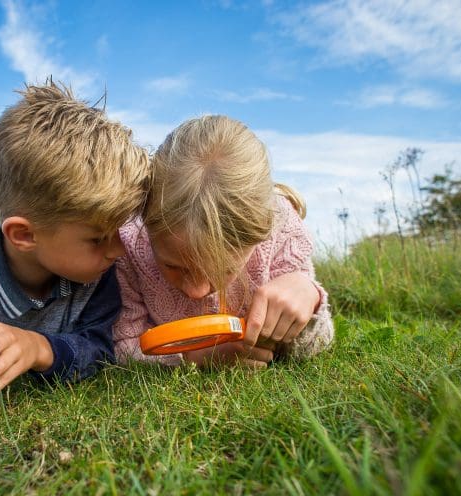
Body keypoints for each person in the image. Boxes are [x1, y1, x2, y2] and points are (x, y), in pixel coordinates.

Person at [0, 80, 150, 415]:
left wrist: (39, 349)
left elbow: (101, 351)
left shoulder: (98, 272)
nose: (118, 250)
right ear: (23, 235)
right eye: (97, 238)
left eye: (118, 230)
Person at [113, 115, 334, 368]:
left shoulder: (281, 230)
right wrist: (195, 358)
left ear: (261, 235)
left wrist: (308, 296)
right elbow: (122, 347)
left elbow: (314, 344)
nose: (195, 291)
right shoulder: (129, 244)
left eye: (224, 270)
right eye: (174, 266)